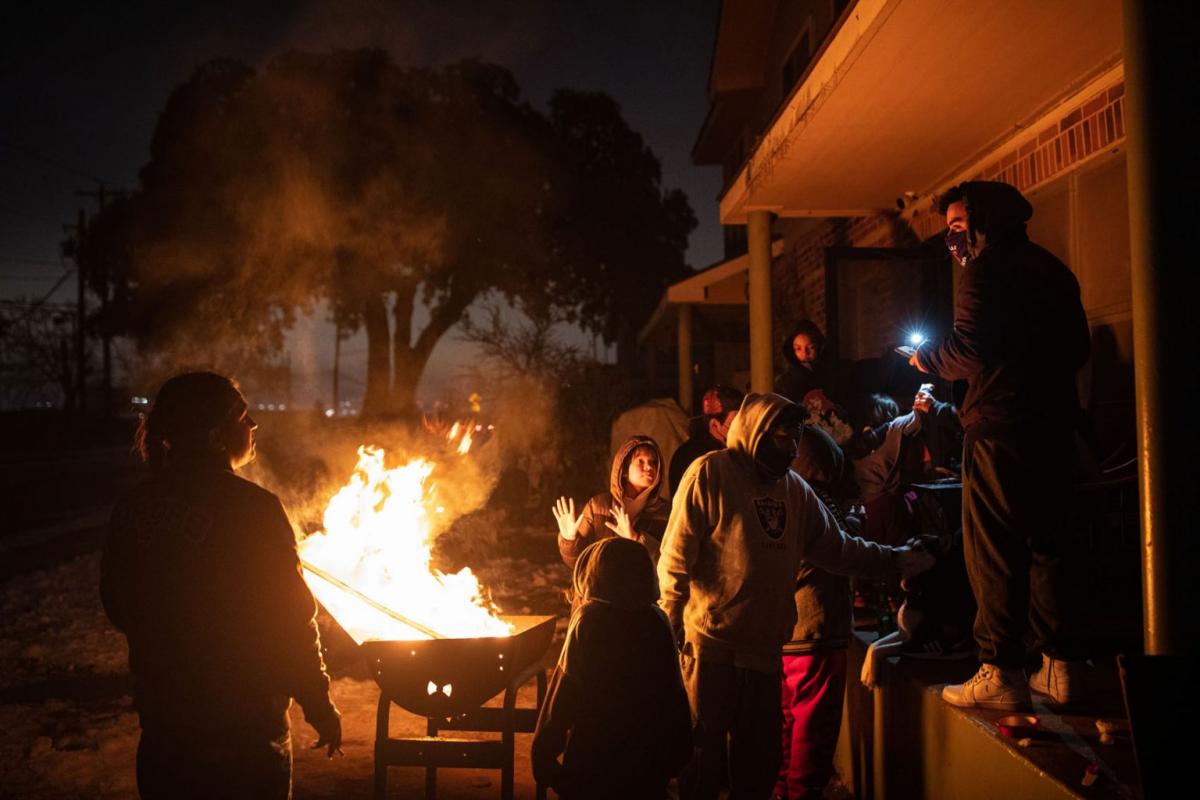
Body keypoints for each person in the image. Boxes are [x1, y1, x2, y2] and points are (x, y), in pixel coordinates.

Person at [658, 392, 932, 800]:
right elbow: (675, 560)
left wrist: (899, 559)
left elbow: (839, 550)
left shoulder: (795, 490)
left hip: (766, 653)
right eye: (785, 438)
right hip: (710, 648)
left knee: (759, 768)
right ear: (757, 433)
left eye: (797, 438)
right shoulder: (710, 474)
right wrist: (669, 624)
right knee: (702, 764)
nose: (792, 448)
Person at [101, 372, 341, 800]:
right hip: (246, 730)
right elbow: (291, 618)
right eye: (244, 417)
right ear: (215, 435)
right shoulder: (253, 509)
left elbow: (117, 600)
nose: (253, 428)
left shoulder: (134, 507)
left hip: (166, 726)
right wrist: (318, 703)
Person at [910, 181, 1091, 709]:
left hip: (998, 427)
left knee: (993, 550)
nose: (953, 241)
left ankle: (1000, 671)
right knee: (1048, 545)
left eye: (959, 228)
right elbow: (1078, 347)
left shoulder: (984, 272)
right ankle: (1060, 668)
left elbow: (968, 348)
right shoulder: (1053, 270)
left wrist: (927, 360)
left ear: (986, 220)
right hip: (1054, 427)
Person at [532, 537, 694, 800]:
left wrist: (545, 758)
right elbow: (674, 693)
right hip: (648, 765)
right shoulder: (658, 620)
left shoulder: (588, 621)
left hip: (593, 763)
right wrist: (678, 754)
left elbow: (564, 692)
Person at [777, 425, 860, 800]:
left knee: (784, 728)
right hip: (816, 632)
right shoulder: (818, 501)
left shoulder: (779, 498)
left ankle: (779, 792)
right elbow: (844, 556)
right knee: (812, 734)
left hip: (784, 635)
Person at [555, 435, 669, 573]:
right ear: (625, 470)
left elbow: (669, 562)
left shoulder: (664, 513)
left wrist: (636, 538)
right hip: (600, 593)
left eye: (653, 462)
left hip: (641, 593)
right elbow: (579, 563)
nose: (649, 467)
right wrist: (570, 541)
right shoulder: (597, 506)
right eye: (641, 461)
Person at [669, 385, 743, 494]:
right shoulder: (696, 458)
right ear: (714, 425)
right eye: (734, 424)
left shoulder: (735, 451)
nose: (741, 429)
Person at [775, 321, 831, 405]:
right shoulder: (786, 382)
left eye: (811, 347)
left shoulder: (831, 374)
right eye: (798, 349)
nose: (805, 354)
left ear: (819, 347)